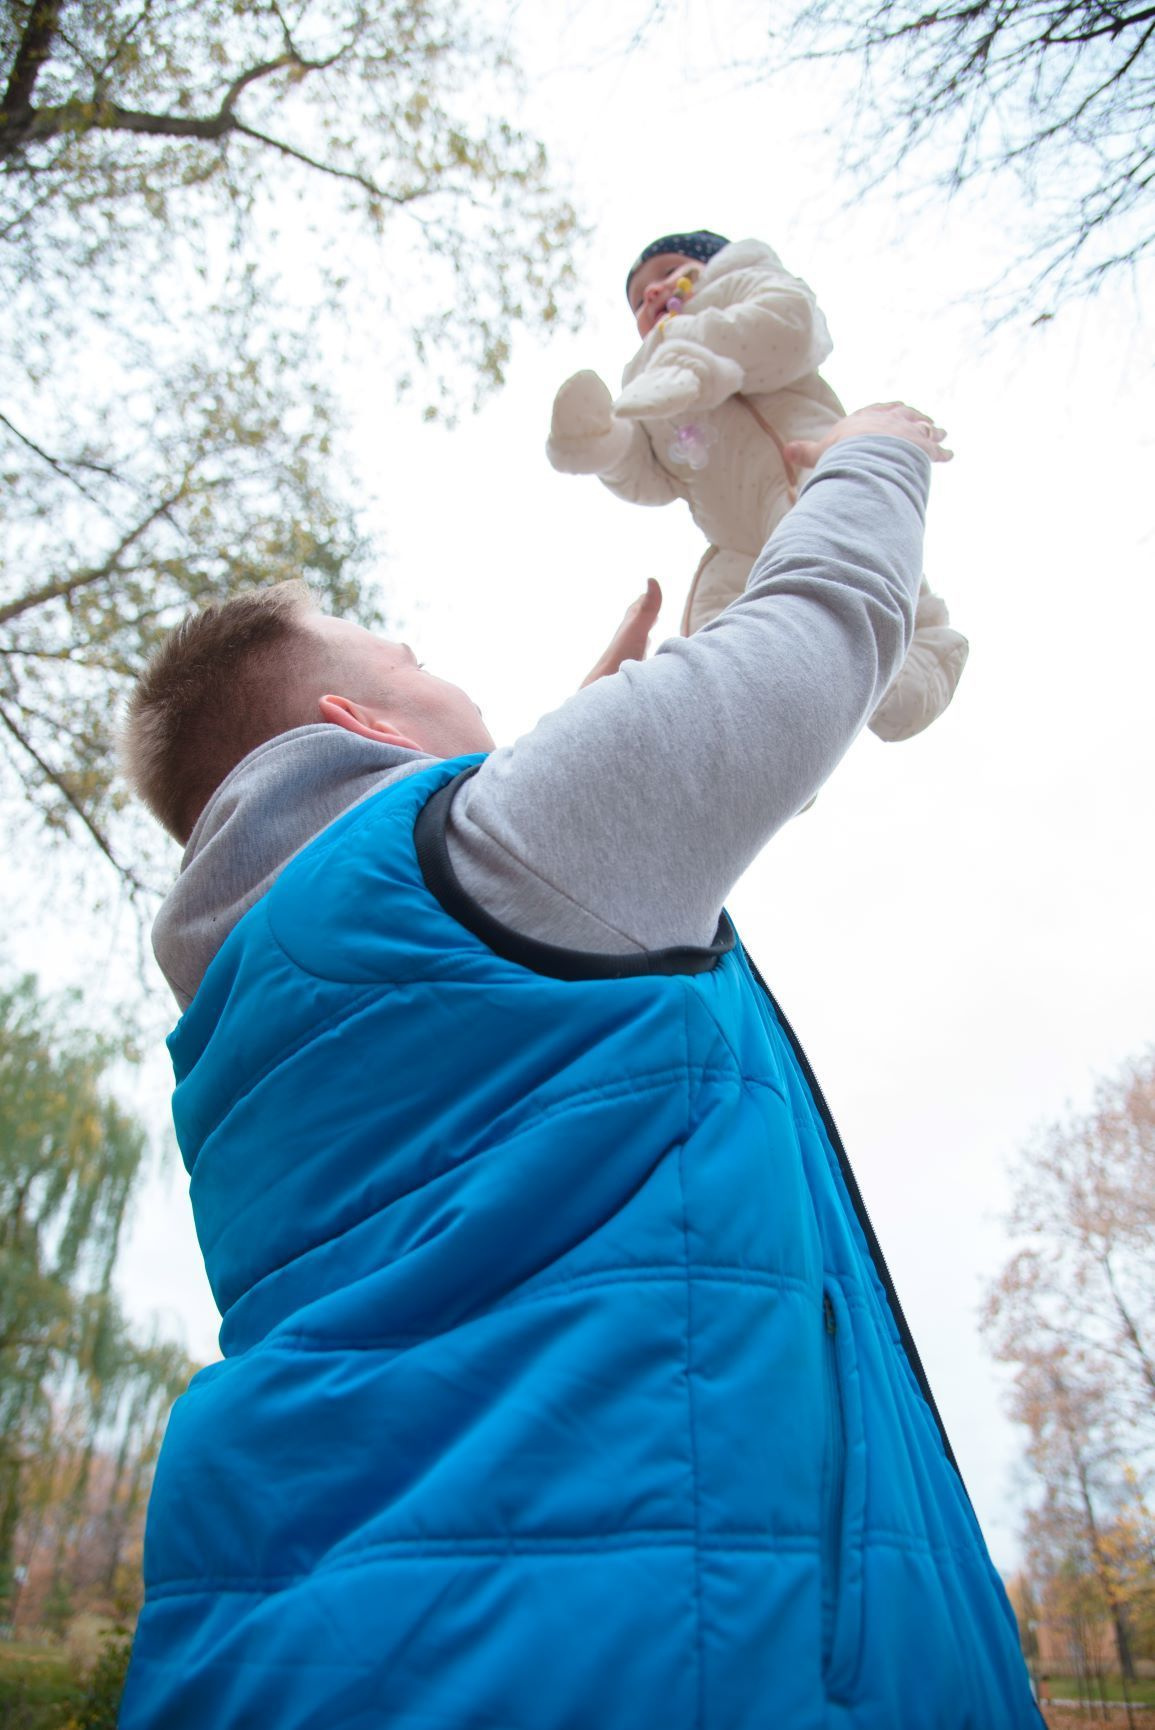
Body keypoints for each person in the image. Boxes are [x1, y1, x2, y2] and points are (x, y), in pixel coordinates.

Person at [117, 404, 1039, 1729]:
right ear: (354, 717)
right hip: (671, 1661)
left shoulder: (249, 1029)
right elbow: (812, 640)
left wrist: (554, 762)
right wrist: (873, 454)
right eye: (408, 655)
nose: (440, 670)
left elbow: (499, 1064)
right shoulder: (505, 854)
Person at [547, 228, 970, 742]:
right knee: (717, 628)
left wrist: (694, 352)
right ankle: (758, 737)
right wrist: (602, 442)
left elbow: (789, 331)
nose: (652, 293)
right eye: (638, 299)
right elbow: (652, 474)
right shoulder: (646, 379)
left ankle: (924, 642)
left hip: (808, 472)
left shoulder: (744, 289)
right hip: (736, 537)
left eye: (667, 274)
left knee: (855, 559)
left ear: (714, 264)